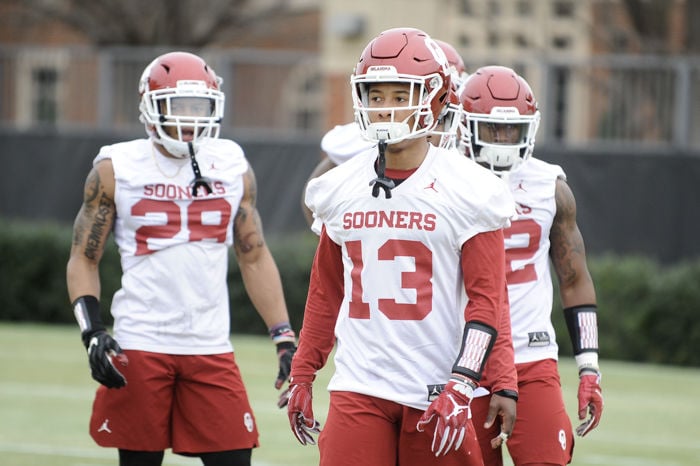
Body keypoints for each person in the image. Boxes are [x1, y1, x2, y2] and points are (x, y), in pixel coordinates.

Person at [281, 28, 517, 466]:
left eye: (400, 94)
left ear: (437, 98)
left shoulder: (471, 189)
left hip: (435, 385)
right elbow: (326, 292)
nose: (386, 109)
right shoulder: (338, 186)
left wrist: (464, 383)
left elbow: (486, 303)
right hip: (359, 384)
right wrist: (302, 372)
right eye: (376, 96)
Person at [65, 51, 297, 466]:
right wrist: (92, 331)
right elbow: (84, 256)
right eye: (178, 106)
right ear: (151, 107)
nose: (190, 118)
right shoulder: (116, 167)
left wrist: (283, 336)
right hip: (141, 340)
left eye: (199, 107)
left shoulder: (231, 165)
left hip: (209, 343)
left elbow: (255, 256)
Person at [458, 65, 604, 466]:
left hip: (530, 355)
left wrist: (589, 366)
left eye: (512, 130)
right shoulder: (443, 181)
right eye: (491, 129)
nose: (503, 141)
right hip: (461, 361)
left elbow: (574, 281)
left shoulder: (549, 187)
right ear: (465, 126)